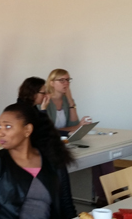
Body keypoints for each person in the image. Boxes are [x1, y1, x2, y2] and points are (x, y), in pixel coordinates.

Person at [41, 71, 110, 205]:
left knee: (103, 155)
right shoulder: (45, 101)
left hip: (66, 140)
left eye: (68, 80)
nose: (66, 83)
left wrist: (70, 100)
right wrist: (75, 127)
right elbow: (48, 130)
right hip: (51, 143)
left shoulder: (66, 101)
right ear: (51, 83)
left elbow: (74, 124)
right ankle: (109, 192)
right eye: (62, 80)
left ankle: (105, 196)